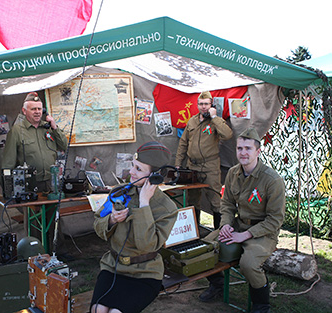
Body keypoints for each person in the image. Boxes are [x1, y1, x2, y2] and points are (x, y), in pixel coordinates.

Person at [198, 128, 285, 313]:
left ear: (258, 151)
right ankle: (218, 284)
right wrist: (226, 225)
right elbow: (227, 204)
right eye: (239, 148)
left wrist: (246, 235)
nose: (243, 153)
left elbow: (275, 219)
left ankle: (261, 305)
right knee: (204, 247)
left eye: (248, 148)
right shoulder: (233, 173)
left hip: (263, 232)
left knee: (249, 264)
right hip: (238, 225)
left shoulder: (272, 180)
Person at [91, 141, 179, 313]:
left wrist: (144, 204)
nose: (131, 172)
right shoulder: (120, 193)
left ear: (155, 176)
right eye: (133, 166)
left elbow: (147, 245)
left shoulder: (167, 209)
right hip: (114, 267)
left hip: (145, 273)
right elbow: (97, 224)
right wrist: (111, 220)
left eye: (138, 169)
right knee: (98, 310)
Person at [174, 91, 232, 229]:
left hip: (210, 167)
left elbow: (227, 135)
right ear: (197, 105)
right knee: (193, 201)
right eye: (201, 104)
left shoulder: (215, 122)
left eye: (206, 104)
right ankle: (195, 232)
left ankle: (218, 234)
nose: (203, 107)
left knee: (215, 201)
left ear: (211, 105)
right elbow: (183, 143)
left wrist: (214, 117)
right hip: (192, 166)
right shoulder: (192, 121)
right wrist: (177, 165)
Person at [2, 91, 67, 192]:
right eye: (33, 109)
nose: (37, 112)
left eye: (39, 109)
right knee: (34, 208)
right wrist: (9, 187)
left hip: (51, 182)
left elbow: (64, 146)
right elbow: (8, 162)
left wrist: (54, 127)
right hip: (30, 183)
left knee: (54, 208)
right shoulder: (17, 130)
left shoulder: (49, 128)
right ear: (24, 111)